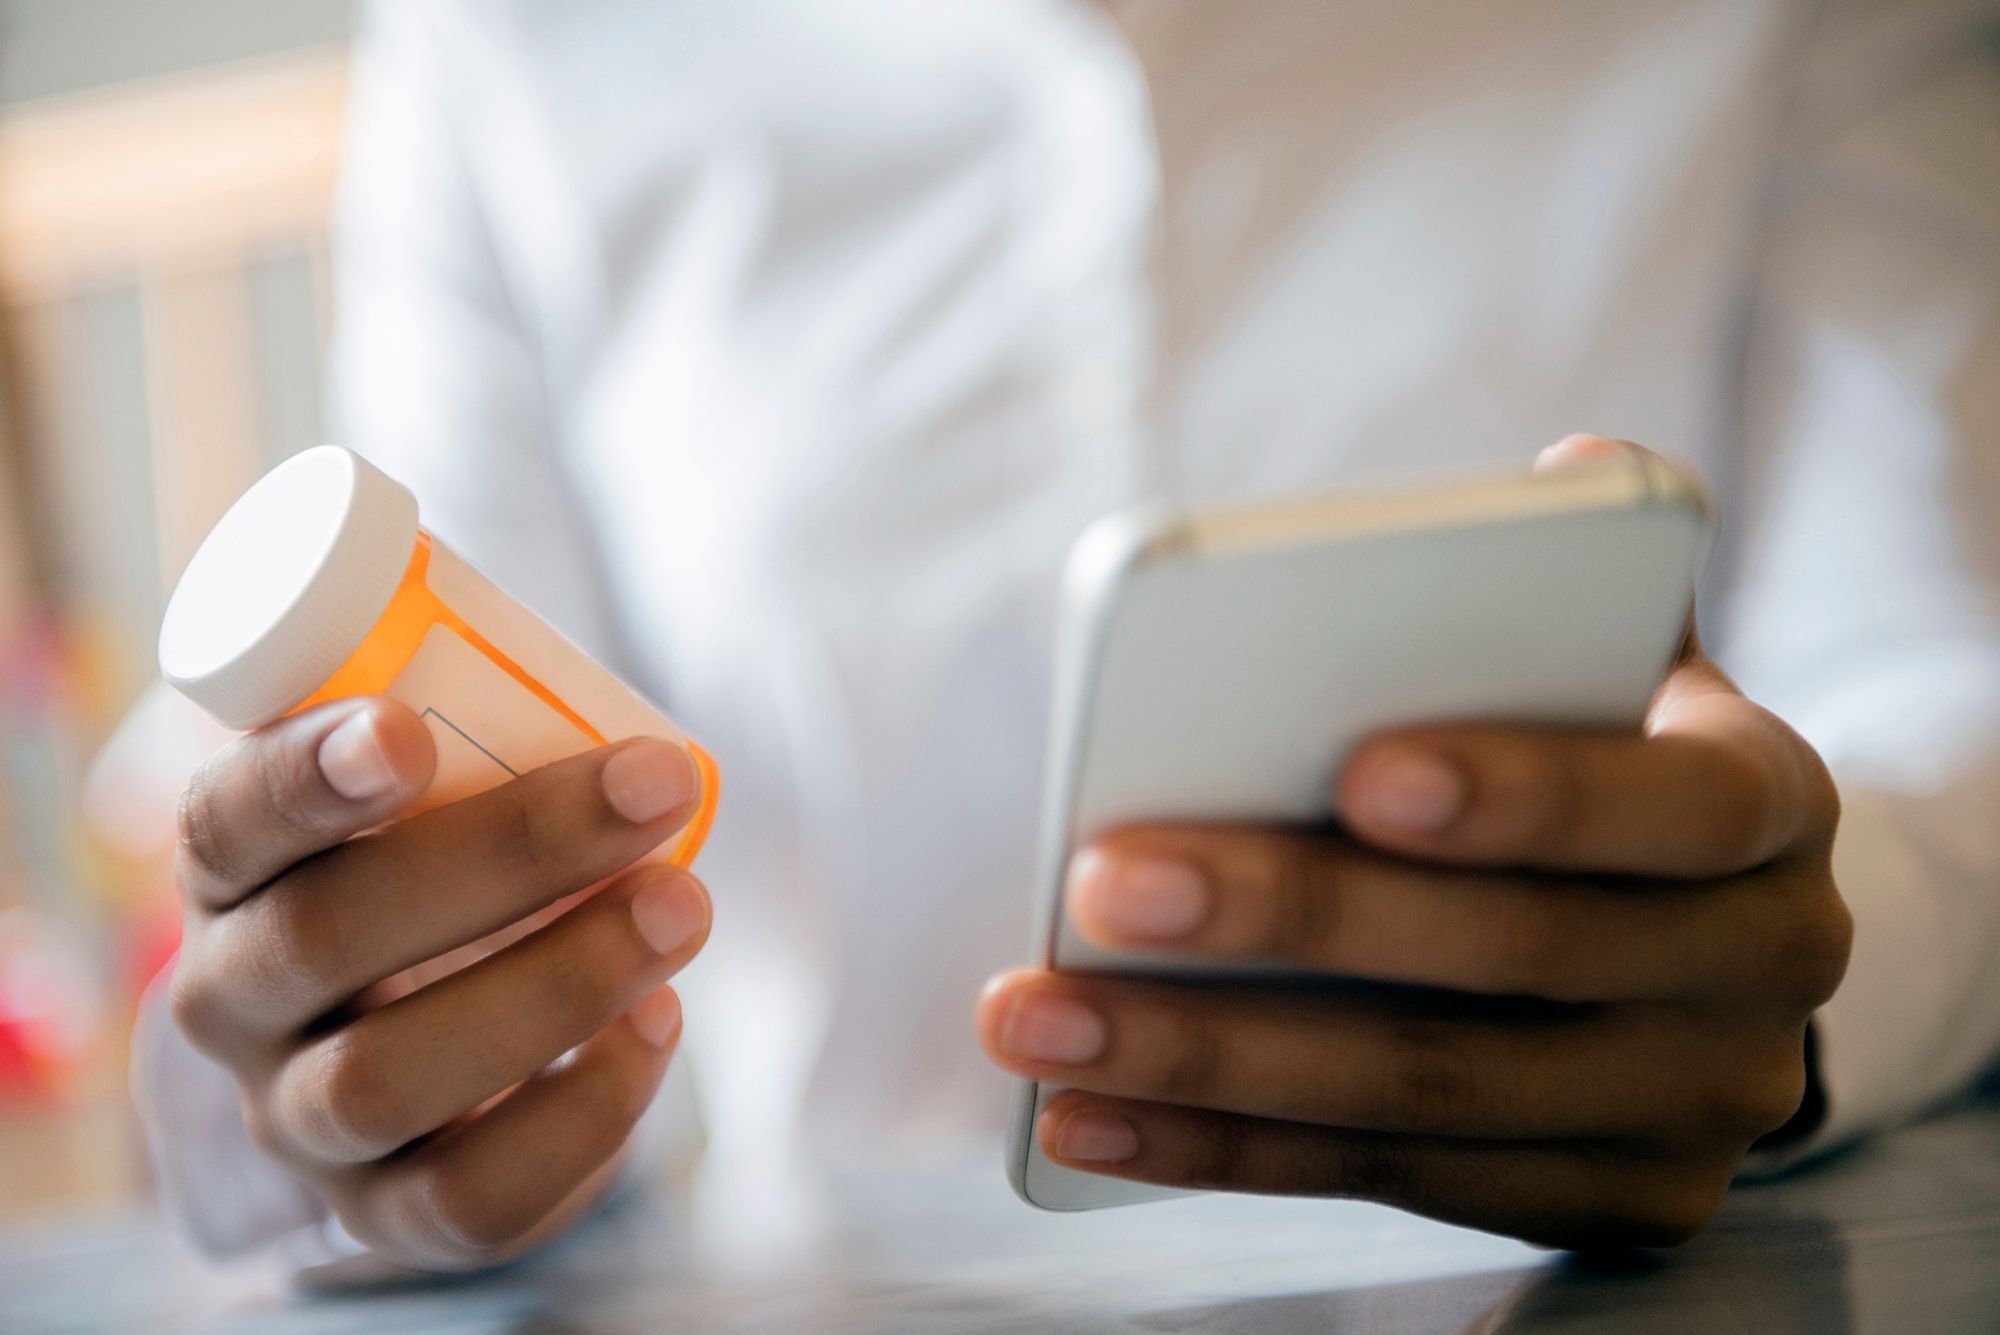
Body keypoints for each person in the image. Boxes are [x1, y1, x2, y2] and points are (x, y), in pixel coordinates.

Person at [131, 0, 2000, 1283]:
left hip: (1601, 1284)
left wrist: (1801, 973)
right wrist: (307, 1111)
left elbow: (1938, 671)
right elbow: (345, 870)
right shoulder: (516, 46)